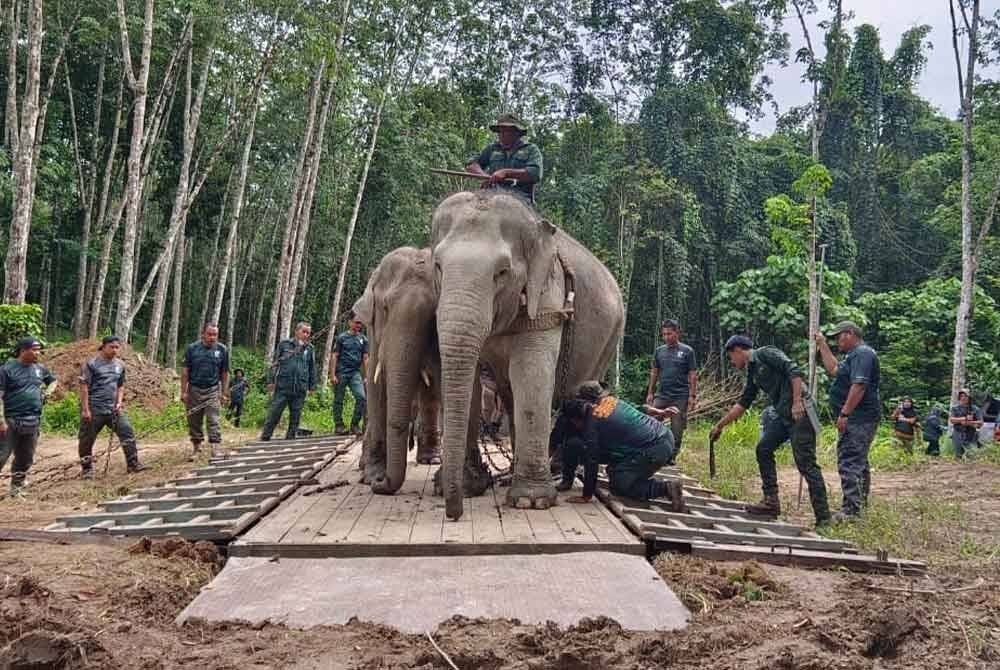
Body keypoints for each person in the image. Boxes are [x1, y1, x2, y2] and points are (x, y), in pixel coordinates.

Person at [710, 336, 831, 527]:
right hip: (783, 415)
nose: (732, 363)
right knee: (763, 449)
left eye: (731, 358)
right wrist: (720, 425)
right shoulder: (753, 372)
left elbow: (794, 370)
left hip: (801, 412)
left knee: (806, 463)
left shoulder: (765, 353)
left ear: (738, 350)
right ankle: (771, 501)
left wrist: (797, 401)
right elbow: (743, 403)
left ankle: (824, 518)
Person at [551, 381, 684, 509]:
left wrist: (586, 496)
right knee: (575, 444)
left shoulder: (593, 422)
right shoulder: (610, 401)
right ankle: (567, 480)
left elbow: (592, 460)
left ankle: (665, 488)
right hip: (659, 435)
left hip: (655, 447)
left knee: (619, 484)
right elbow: (637, 407)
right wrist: (658, 412)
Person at [816, 321, 881, 522]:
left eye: (839, 337)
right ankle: (858, 506)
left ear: (850, 334)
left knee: (850, 460)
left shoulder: (863, 353)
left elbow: (859, 385)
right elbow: (834, 369)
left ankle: (852, 511)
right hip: (857, 417)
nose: (837, 341)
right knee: (857, 461)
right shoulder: (852, 356)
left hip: (859, 418)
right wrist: (822, 345)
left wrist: (845, 414)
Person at [77, 335, 146, 478]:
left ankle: (133, 464)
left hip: (113, 409)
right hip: (94, 408)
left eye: (117, 347)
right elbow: (84, 387)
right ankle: (87, 469)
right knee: (86, 440)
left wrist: (119, 402)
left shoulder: (120, 365)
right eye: (111, 347)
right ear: (103, 347)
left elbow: (120, 386)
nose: (115, 350)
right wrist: (85, 410)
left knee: (127, 431)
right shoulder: (91, 364)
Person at [0, 337, 57, 496]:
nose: (38, 353)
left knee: (26, 458)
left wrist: (47, 393)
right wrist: (1, 420)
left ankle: (16, 488)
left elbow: (53, 381)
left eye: (39, 349)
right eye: (35, 349)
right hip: (10, 420)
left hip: (32, 420)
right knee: (2, 455)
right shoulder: (6, 370)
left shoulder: (40, 369)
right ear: (23, 350)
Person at [645, 319, 697, 465]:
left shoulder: (687, 351)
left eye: (669, 333)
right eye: (664, 334)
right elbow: (654, 372)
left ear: (677, 333)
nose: (666, 337)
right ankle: (650, 451)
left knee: (677, 427)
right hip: (662, 394)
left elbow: (693, 374)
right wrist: (650, 392)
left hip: (680, 396)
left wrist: (692, 396)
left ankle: (671, 456)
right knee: (652, 422)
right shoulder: (659, 351)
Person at [464, 113, 543, 203]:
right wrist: (484, 176)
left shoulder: (530, 149)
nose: (502, 134)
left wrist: (506, 173)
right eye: (500, 131)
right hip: (491, 196)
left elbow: (535, 173)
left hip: (521, 200)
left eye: (506, 131)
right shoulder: (492, 148)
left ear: (517, 132)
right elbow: (471, 164)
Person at [261, 322, 316, 441]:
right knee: (275, 412)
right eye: (304, 331)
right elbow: (275, 363)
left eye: (308, 333)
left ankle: (290, 438)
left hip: (300, 387)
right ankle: (265, 436)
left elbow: (312, 368)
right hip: (283, 385)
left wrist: (312, 387)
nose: (306, 335)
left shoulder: (310, 348)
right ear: (296, 331)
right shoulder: (284, 345)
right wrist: (271, 381)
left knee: (296, 415)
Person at [182, 323, 229, 457]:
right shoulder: (192, 349)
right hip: (194, 390)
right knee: (194, 420)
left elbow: (225, 373)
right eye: (209, 334)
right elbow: (185, 371)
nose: (212, 337)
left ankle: (215, 448)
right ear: (203, 334)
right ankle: (196, 448)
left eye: (215, 334)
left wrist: (224, 392)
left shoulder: (222, 350)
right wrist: (184, 392)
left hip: (213, 390)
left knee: (213, 419)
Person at [330, 316, 369, 436]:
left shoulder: (363, 339)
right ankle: (339, 425)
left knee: (361, 397)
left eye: (360, 323)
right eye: (357, 323)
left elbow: (366, 358)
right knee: (338, 400)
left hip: (355, 373)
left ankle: (354, 424)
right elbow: (334, 356)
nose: (359, 325)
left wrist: (367, 376)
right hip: (341, 372)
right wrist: (332, 375)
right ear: (350, 322)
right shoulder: (342, 338)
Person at [949, 389, 982, 459]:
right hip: (958, 433)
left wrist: (969, 423)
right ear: (959, 397)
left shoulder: (975, 409)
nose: (963, 398)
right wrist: (964, 418)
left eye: (965, 396)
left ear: (969, 397)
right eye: (961, 396)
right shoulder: (955, 408)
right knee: (958, 455)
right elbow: (952, 420)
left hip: (971, 434)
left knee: (972, 455)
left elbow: (980, 422)